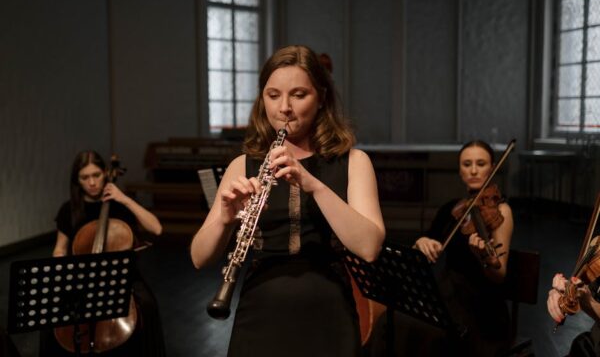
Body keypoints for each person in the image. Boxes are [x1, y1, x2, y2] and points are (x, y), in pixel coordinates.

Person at [190, 44, 386, 357]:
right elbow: (199, 258)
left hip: (328, 313)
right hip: (261, 313)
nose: (284, 107)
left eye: (298, 94)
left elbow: (369, 246)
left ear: (321, 97)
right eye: (273, 95)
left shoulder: (354, 162)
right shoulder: (242, 165)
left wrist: (313, 185)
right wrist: (226, 217)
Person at [40, 150, 166, 357]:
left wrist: (124, 199)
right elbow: (60, 248)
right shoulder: (69, 209)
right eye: (85, 177)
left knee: (147, 306)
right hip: (80, 281)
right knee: (50, 321)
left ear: (106, 174)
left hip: (121, 281)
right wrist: (60, 272)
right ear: (77, 181)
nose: (91, 182)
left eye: (96, 175)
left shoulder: (119, 205)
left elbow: (156, 229)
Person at [409, 140, 514, 356]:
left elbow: (499, 274)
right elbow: (425, 247)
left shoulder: (501, 210)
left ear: (492, 168)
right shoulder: (452, 209)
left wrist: (484, 258)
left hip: (482, 310)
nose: (474, 170)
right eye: (467, 164)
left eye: (481, 163)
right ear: (460, 170)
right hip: (449, 297)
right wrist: (421, 242)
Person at [547, 259, 600, 356]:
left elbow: (587, 298)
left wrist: (588, 303)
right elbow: (587, 287)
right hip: (592, 343)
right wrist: (566, 290)